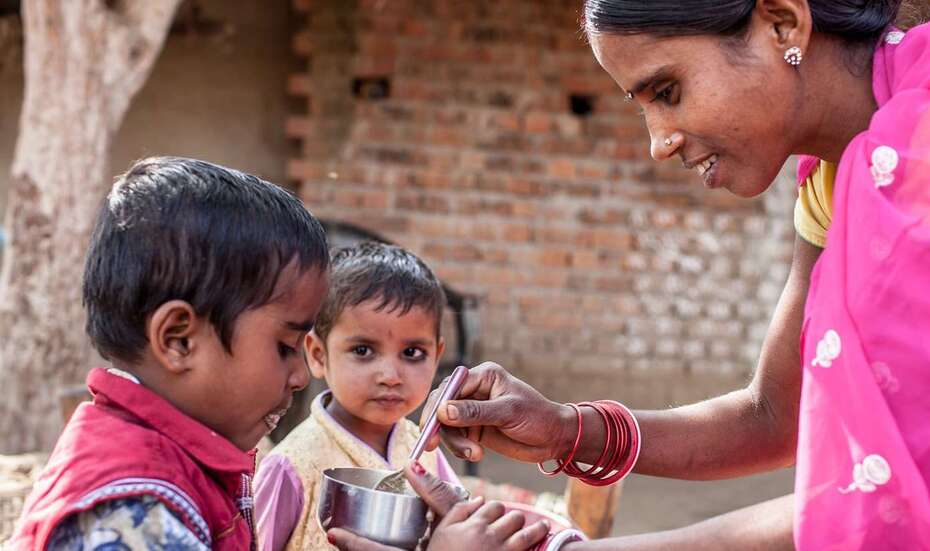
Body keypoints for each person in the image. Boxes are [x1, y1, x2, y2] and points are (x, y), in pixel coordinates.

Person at [413, 1, 930, 550]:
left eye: (666, 91)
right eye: (643, 107)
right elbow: (775, 415)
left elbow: (881, 503)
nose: (659, 143)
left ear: (783, 23)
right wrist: (566, 429)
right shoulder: (829, 181)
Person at [10, 157, 331, 550]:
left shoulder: (181, 460)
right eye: (285, 347)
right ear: (178, 339)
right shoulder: (133, 511)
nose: (301, 376)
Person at [254, 242, 462, 550]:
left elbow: (457, 523)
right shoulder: (292, 466)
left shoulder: (423, 448)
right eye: (363, 351)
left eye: (412, 353)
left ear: (437, 355)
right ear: (317, 355)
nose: (391, 376)